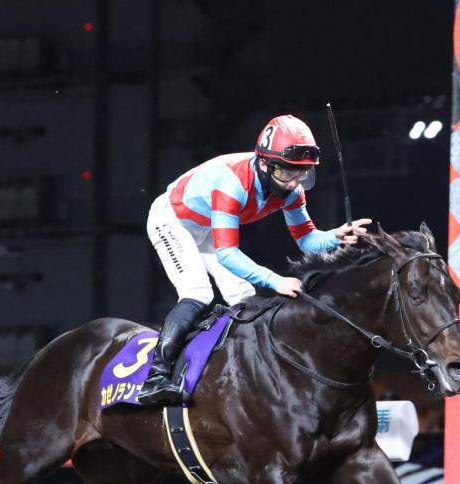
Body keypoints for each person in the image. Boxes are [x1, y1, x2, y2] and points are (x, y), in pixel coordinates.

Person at [137, 114, 371, 405]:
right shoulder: (231, 184)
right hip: (172, 220)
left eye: (302, 173)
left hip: (206, 224)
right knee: (197, 292)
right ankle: (155, 378)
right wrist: (276, 281)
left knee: (243, 296)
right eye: (287, 173)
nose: (294, 182)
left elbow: (308, 240)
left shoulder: (292, 189)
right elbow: (228, 255)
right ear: (264, 163)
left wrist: (336, 235)